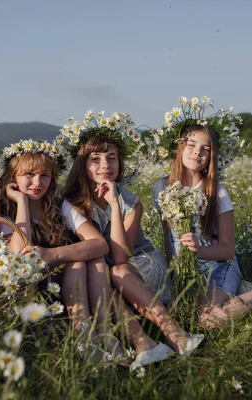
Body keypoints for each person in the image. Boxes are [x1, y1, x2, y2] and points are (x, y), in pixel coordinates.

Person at [59, 111, 205, 370]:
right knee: (107, 275)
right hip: (106, 274)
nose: (105, 165)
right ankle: (144, 344)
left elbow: (120, 255)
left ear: (120, 163)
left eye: (112, 158)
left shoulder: (131, 202)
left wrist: (115, 204)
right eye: (96, 159)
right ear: (82, 165)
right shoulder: (74, 204)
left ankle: (175, 333)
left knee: (116, 270)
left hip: (142, 265)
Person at [151, 98, 252, 328]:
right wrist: (173, 270)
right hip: (186, 272)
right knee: (181, 313)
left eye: (205, 150)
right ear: (179, 147)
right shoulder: (161, 188)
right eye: (191, 145)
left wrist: (200, 249)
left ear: (211, 158)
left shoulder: (217, 193)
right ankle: (245, 290)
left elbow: (228, 249)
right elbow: (168, 237)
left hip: (217, 265)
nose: (197, 153)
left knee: (210, 320)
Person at [0, 140, 114, 362]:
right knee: (79, 260)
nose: (37, 182)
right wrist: (21, 202)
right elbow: (19, 253)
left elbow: (100, 243)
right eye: (28, 174)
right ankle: (89, 338)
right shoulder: (5, 211)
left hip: (63, 285)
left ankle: (91, 334)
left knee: (86, 260)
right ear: (13, 177)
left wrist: (53, 254)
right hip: (30, 292)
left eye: (44, 176)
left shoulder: (60, 206)